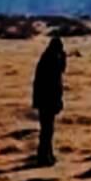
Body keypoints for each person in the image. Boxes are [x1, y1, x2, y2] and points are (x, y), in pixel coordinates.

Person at [31, 36, 67, 166]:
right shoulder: (51, 60)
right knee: (47, 130)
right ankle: (43, 156)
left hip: (45, 100)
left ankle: (47, 154)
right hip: (47, 100)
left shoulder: (47, 58)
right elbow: (55, 82)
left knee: (47, 129)